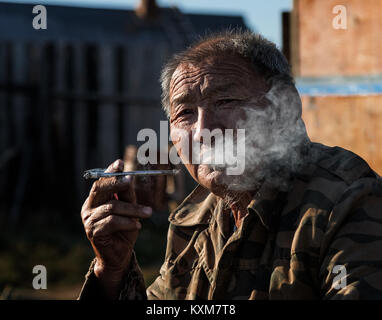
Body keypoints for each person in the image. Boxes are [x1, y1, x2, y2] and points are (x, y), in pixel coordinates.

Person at [78, 30, 382, 300]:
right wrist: (113, 269)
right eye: (184, 113)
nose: (202, 131)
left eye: (226, 102)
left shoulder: (347, 200)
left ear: (283, 107)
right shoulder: (196, 218)